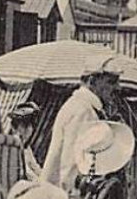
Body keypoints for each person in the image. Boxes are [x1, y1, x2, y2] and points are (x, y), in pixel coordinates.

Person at [41, 53, 123, 190]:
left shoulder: (86, 107)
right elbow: (71, 167)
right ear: (92, 81)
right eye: (111, 82)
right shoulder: (82, 110)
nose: (117, 88)